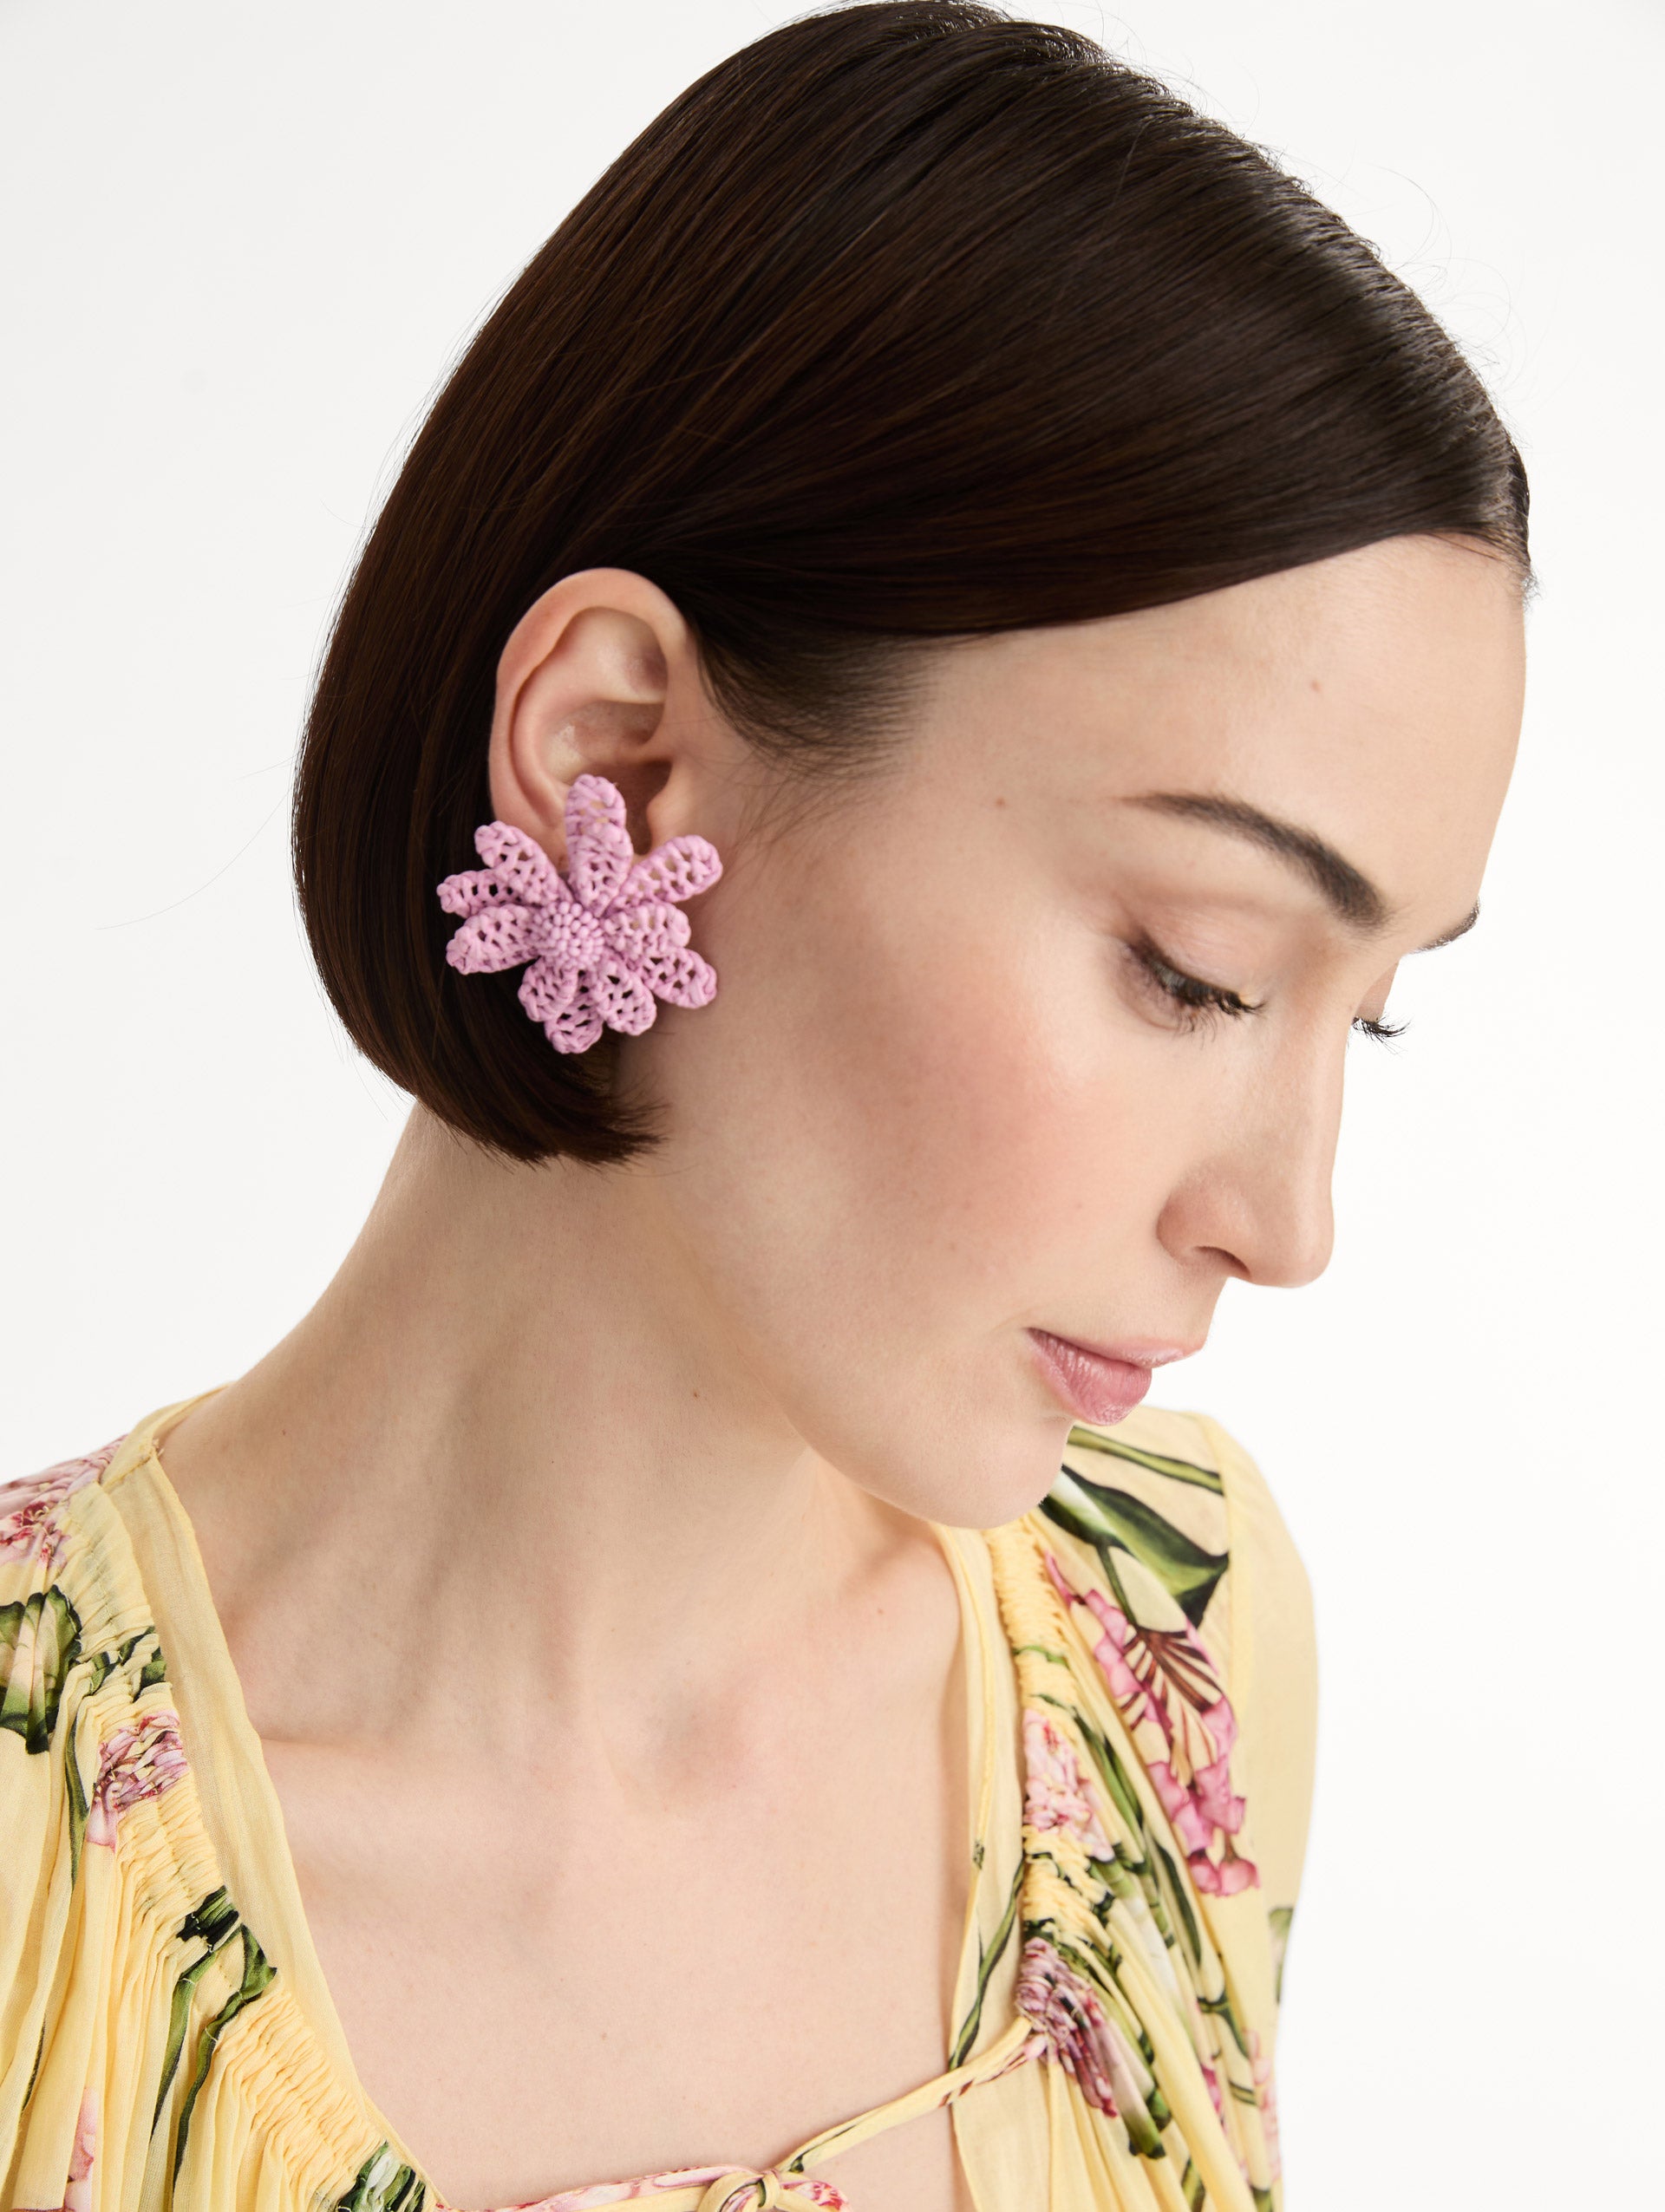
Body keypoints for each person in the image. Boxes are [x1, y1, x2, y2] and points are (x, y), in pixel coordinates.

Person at [0, 6, 1528, 2209]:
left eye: (1362, 1017)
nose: (1289, 1224)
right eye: (1197, 966)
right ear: (614, 755)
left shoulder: (1178, 1646)